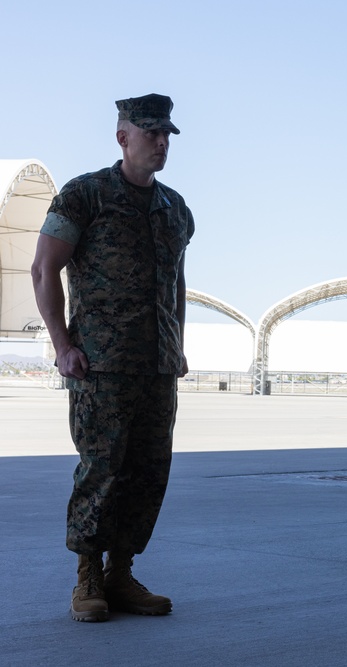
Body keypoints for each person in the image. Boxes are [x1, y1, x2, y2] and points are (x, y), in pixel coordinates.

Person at [31, 94, 194, 623]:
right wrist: (63, 348)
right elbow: (43, 270)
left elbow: (177, 285)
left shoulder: (176, 209)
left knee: (148, 471)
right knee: (101, 470)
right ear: (123, 137)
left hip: (157, 365)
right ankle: (88, 579)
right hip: (99, 364)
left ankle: (122, 573)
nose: (161, 143)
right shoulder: (85, 195)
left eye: (167, 134)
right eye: (150, 133)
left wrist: (179, 343)